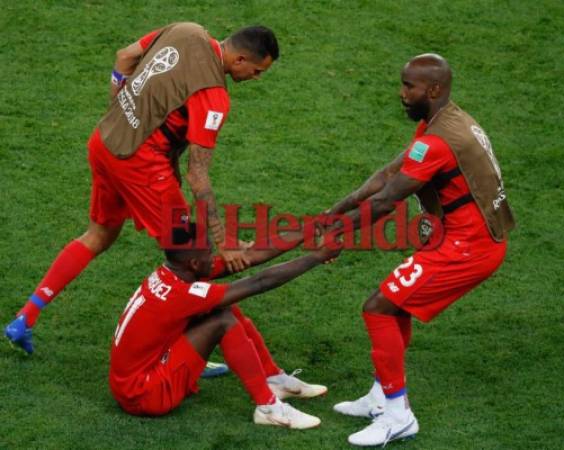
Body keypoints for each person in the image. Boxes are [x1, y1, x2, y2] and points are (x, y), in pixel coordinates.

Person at [5, 23, 279, 356]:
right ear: (239, 59)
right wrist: (225, 243)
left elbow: (125, 58)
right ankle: (188, 346)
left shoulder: (186, 30)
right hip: (142, 167)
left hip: (105, 141)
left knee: (98, 235)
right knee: (194, 257)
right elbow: (198, 176)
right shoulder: (213, 96)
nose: (256, 77)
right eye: (257, 70)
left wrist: (119, 111)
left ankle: (25, 317)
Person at [326, 54, 515, 446]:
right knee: (395, 303)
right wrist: (339, 208)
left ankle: (398, 415)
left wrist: (335, 234)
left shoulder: (439, 141)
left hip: (468, 248)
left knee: (377, 305)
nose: (402, 94)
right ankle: (382, 396)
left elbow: (386, 200)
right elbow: (390, 174)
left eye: (409, 87)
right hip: (460, 239)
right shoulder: (444, 122)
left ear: (433, 89)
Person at [109, 226, 339, 427]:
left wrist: (309, 230)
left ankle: (273, 379)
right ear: (195, 263)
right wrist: (316, 257)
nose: (215, 256)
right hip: (144, 396)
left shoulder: (174, 274)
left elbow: (249, 256)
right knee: (223, 320)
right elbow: (260, 282)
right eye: (210, 252)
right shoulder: (181, 293)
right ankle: (268, 409)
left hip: (134, 383)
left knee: (221, 307)